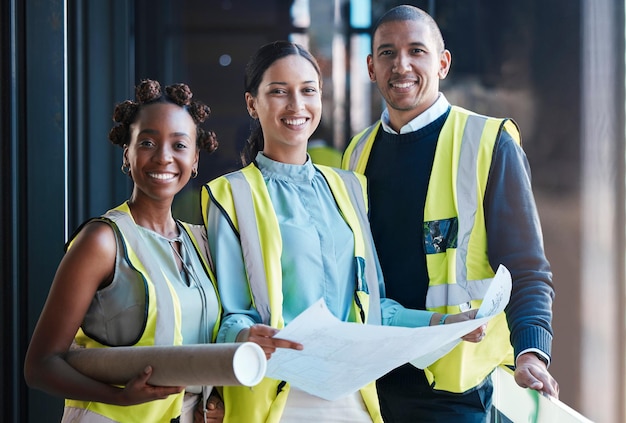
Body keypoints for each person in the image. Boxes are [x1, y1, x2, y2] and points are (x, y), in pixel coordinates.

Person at [200, 40, 485, 423]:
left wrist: (443, 325)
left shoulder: (349, 188)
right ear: (253, 104)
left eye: (308, 91)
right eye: (279, 92)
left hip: (353, 399)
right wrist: (244, 336)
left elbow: (375, 310)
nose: (296, 106)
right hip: (278, 399)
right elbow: (229, 316)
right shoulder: (229, 194)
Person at [342, 5, 559, 422]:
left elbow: (527, 268)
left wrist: (532, 353)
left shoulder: (488, 143)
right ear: (371, 67)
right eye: (387, 53)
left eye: (416, 51)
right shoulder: (356, 154)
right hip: (372, 387)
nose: (401, 64)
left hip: (457, 392)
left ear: (442, 63)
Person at [24, 79, 225, 423]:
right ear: (127, 153)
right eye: (147, 142)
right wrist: (119, 398)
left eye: (179, 145)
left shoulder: (200, 243)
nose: (163, 156)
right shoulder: (103, 241)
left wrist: (211, 398)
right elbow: (40, 365)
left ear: (194, 159)